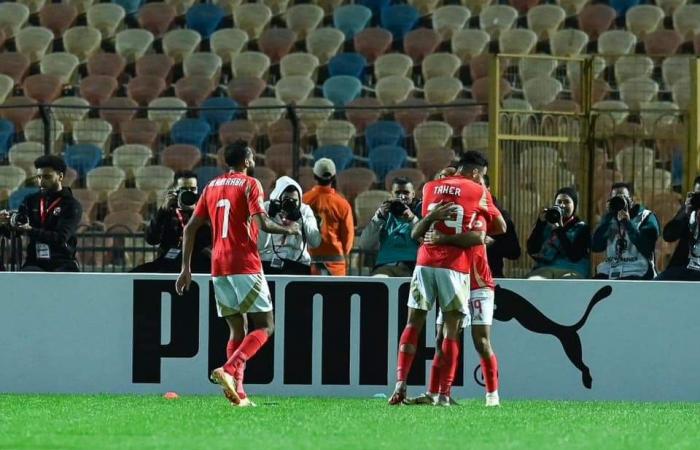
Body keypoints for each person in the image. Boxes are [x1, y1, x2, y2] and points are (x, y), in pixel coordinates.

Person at [175, 140, 300, 407]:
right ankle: (229, 370)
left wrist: (185, 269)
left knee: (237, 329)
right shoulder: (250, 184)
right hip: (244, 261)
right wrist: (288, 230)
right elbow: (262, 223)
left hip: (218, 265)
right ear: (245, 161)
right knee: (266, 326)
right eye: (252, 156)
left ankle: (239, 394)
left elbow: (189, 228)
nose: (254, 160)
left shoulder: (210, 186)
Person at [389, 151, 506, 406]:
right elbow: (495, 229)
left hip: (476, 280)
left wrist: (446, 233)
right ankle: (439, 394)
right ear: (476, 174)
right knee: (444, 334)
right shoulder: (476, 194)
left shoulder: (431, 188)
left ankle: (491, 397)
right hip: (457, 271)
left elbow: (491, 233)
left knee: (479, 340)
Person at [0, 155, 82, 272]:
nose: (41, 182)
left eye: (47, 177)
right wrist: (6, 223)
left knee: (62, 276)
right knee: (26, 275)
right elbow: (14, 231)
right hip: (35, 262)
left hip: (63, 263)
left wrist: (30, 230)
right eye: (38, 177)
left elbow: (60, 238)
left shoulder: (71, 205)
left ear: (60, 176)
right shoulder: (30, 200)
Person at [131, 170, 211, 273]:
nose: (189, 193)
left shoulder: (204, 208)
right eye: (184, 189)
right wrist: (162, 211)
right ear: (175, 190)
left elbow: (210, 239)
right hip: (169, 262)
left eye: (193, 189)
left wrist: (195, 213)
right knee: (135, 274)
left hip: (197, 262)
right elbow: (152, 239)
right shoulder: (168, 211)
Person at [592, 182, 660, 280]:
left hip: (638, 271)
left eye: (623, 197)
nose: (619, 202)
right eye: (615, 198)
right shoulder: (609, 218)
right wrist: (607, 219)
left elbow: (647, 247)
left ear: (633, 199)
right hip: (611, 271)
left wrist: (628, 224)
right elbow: (596, 247)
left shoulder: (646, 217)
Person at [358, 177, 421, 277]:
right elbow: (364, 245)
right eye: (397, 193)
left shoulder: (420, 214)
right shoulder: (384, 216)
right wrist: (378, 219)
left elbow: (426, 240)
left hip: (410, 268)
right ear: (391, 194)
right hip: (385, 267)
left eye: (406, 193)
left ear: (413, 194)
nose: (402, 196)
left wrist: (412, 219)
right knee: (378, 282)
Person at [258, 176, 321, 275]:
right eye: (286, 200)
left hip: (297, 263)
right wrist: (269, 218)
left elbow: (315, 242)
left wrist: (301, 219)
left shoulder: (304, 210)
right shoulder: (267, 207)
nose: (290, 203)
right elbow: (260, 245)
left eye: (294, 201)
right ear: (278, 198)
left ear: (299, 200)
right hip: (269, 262)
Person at [302, 158, 354, 276]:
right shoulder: (342, 204)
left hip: (309, 263)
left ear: (315, 176)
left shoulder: (304, 200)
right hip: (336, 265)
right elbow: (348, 240)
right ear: (333, 176)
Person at [526, 187, 590, 279]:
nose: (562, 205)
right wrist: (540, 223)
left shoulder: (582, 228)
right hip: (545, 269)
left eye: (567, 202)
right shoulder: (547, 226)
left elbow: (574, 256)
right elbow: (532, 249)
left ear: (574, 205)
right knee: (534, 281)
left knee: (567, 283)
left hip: (572, 269)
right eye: (559, 202)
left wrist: (560, 230)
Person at [656, 176, 700, 281]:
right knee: (656, 285)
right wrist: (685, 213)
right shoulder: (688, 211)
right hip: (684, 267)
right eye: (698, 195)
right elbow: (668, 236)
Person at [482, 175, 521, 278]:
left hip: (492, 276)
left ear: (488, 189)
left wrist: (493, 244)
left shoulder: (502, 216)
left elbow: (514, 252)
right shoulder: (460, 212)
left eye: (479, 186)